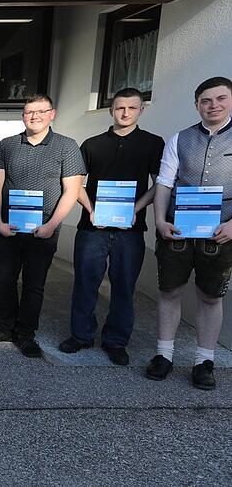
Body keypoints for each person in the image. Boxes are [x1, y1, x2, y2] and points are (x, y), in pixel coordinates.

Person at [58, 88, 164, 365]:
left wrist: (135, 210)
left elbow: (159, 185)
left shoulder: (153, 143)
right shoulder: (92, 144)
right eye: (120, 108)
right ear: (111, 110)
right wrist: (90, 210)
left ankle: (116, 341)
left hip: (130, 229)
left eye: (132, 108)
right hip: (93, 228)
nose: (125, 113)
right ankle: (81, 336)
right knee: (85, 283)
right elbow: (76, 184)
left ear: (142, 110)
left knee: (124, 287)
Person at [0, 94, 86, 358]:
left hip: (43, 231)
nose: (34, 116)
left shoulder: (67, 146)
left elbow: (71, 190)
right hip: (8, 229)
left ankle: (25, 333)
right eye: (29, 112)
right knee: (3, 280)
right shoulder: (7, 146)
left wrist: (52, 225)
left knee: (33, 285)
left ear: (52, 114)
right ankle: (5, 326)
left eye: (40, 111)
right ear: (23, 116)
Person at [146, 76, 232, 390]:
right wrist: (159, 220)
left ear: (230, 100)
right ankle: (164, 355)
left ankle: (204, 361)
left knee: (210, 297)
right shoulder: (179, 139)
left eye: (220, 99)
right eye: (206, 101)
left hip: (220, 234)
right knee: (169, 292)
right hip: (177, 231)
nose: (213, 106)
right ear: (197, 104)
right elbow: (165, 183)